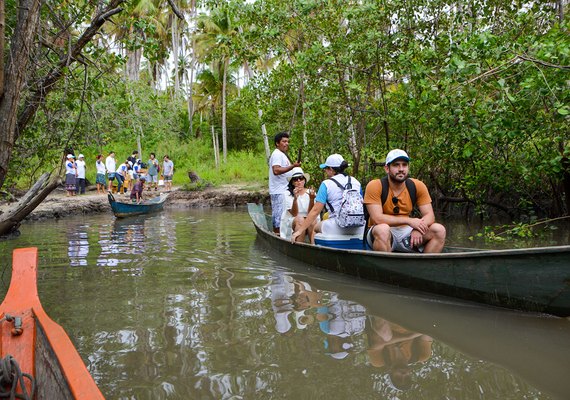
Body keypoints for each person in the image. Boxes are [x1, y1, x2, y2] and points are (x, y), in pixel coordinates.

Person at [363, 149, 446, 253]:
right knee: (382, 229)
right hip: (380, 232)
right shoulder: (375, 185)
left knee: (439, 230)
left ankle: (424, 267)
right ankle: (385, 267)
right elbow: (377, 219)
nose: (401, 169)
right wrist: (409, 221)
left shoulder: (417, 186)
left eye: (404, 165)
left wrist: (418, 228)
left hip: (407, 232)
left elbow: (430, 215)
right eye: (396, 165)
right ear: (387, 168)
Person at [291, 154, 364, 243]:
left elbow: (315, 211)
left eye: (326, 168)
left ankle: (314, 252)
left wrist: (299, 231)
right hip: (359, 226)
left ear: (331, 169)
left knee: (314, 228)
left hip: (337, 226)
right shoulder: (356, 182)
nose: (325, 170)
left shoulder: (326, 184)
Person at [366, 316, 433, 391]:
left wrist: (409, 336)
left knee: (386, 336)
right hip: (412, 319)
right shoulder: (422, 355)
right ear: (410, 374)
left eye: (398, 378)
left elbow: (377, 340)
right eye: (407, 378)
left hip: (385, 318)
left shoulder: (378, 361)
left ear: (390, 372)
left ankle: (379, 308)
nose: (403, 375)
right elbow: (429, 331)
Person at [268, 132, 301, 234]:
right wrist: (293, 166)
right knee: (279, 218)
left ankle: (285, 234)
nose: (286, 143)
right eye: (284, 141)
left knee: (286, 216)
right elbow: (276, 170)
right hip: (279, 191)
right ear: (277, 143)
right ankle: (277, 236)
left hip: (285, 191)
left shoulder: (282, 154)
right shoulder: (277, 154)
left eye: (287, 141)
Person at [279, 167, 318, 242]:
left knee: (312, 220)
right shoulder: (287, 194)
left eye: (301, 178)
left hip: (307, 219)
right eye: (296, 179)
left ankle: (314, 246)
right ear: (292, 182)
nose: (299, 181)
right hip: (293, 220)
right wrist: (295, 199)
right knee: (300, 219)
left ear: (304, 180)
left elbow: (311, 212)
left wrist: (312, 199)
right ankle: (299, 247)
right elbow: (294, 213)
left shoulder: (311, 192)